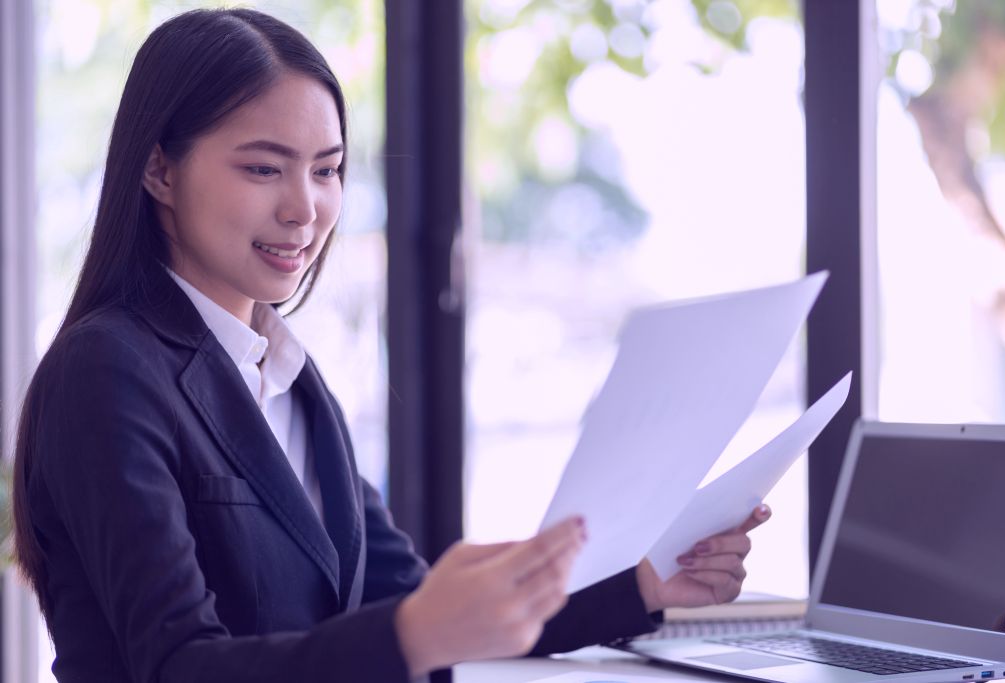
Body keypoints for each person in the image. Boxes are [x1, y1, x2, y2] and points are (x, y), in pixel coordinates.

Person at [10, 8, 771, 682]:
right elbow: (177, 665)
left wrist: (643, 587)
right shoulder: (106, 369)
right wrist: (412, 632)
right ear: (159, 169)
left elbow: (415, 604)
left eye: (329, 170)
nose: (305, 209)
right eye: (263, 168)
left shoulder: (289, 378)